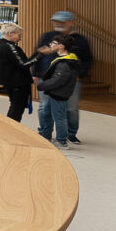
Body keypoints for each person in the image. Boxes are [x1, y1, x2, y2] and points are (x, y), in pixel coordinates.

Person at [32, 11, 92, 144]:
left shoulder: (80, 40)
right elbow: (38, 54)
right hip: (47, 77)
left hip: (70, 81)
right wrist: (35, 74)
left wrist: (80, 74)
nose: (58, 24)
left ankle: (71, 134)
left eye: (62, 21)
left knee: (71, 108)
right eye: (56, 21)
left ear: (72, 23)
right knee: (44, 107)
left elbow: (87, 60)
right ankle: (45, 133)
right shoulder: (47, 36)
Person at [34, 40, 81, 149]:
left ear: (61, 46)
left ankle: (62, 141)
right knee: (47, 114)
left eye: (53, 42)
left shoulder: (65, 63)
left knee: (59, 117)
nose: (50, 44)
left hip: (59, 93)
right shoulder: (63, 60)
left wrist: (42, 85)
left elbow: (58, 80)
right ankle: (46, 136)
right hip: (54, 92)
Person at [0, 23, 37, 122]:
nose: (20, 38)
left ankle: (10, 126)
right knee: (17, 108)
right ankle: (11, 127)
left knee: (14, 105)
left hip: (8, 81)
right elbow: (24, 64)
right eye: (19, 35)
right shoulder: (11, 47)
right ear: (10, 33)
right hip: (18, 82)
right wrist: (39, 55)